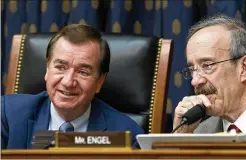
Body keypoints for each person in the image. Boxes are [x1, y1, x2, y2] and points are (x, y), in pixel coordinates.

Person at [1, 24, 144, 149]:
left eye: (83, 72)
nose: (68, 82)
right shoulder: (8, 115)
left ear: (99, 81)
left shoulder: (127, 135)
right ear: (47, 69)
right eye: (60, 67)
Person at [173, 14, 246, 134]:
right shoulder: (196, 133)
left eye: (207, 66)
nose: (195, 81)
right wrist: (180, 139)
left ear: (243, 68)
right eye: (191, 70)